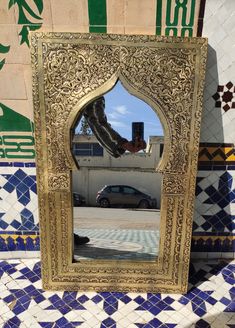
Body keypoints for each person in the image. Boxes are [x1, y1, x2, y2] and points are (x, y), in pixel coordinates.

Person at [74, 96, 146, 246]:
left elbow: (96, 119)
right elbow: (96, 119)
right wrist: (123, 144)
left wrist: (122, 144)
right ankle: (57, 235)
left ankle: (58, 234)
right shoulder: (95, 81)